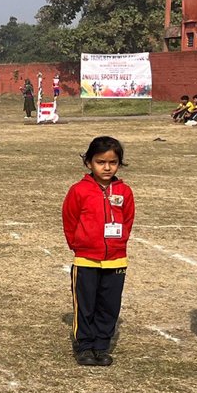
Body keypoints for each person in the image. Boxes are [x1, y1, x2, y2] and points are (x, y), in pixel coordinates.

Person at [62, 136, 134, 367]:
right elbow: (70, 220)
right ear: (89, 163)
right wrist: (79, 244)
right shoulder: (79, 190)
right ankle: (84, 345)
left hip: (115, 260)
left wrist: (119, 242)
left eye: (112, 162)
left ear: (119, 164)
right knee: (85, 305)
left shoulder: (125, 191)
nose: (106, 167)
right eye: (100, 162)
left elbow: (128, 220)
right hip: (86, 259)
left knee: (109, 305)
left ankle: (101, 345)